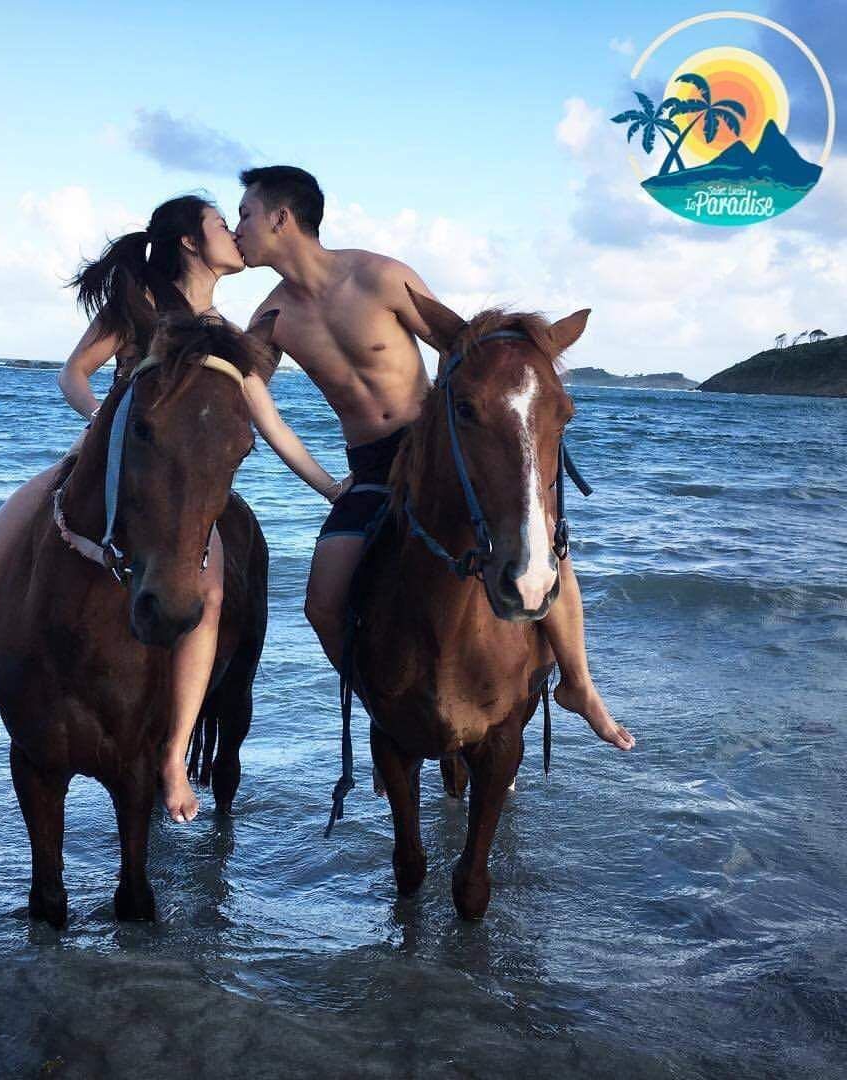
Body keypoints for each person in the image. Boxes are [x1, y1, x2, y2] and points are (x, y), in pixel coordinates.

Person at [0, 194, 352, 822]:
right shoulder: (136, 304)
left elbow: (267, 421)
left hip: (175, 488)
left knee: (210, 593)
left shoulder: (223, 336)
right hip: (96, 463)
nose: (233, 234)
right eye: (222, 224)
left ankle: (172, 754)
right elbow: (74, 374)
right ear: (191, 241)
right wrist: (100, 424)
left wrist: (329, 488)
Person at [233, 166, 635, 751]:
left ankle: (579, 684)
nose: (239, 227)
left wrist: (480, 439)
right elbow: (252, 401)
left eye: (245, 214)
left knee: (546, 547)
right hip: (371, 469)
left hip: (432, 452)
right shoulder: (272, 319)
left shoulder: (378, 277)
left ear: (280, 218)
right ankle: (384, 706)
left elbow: (461, 348)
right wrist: (325, 484)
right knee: (322, 600)